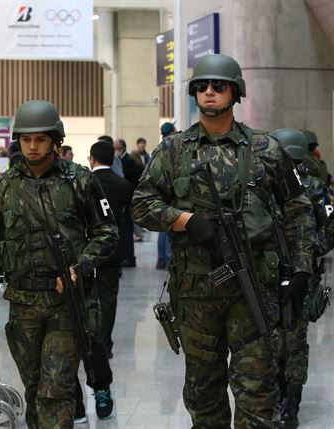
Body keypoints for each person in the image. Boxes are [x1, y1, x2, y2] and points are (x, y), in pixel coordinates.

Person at [131, 54, 315, 427]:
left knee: (257, 391)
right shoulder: (173, 150)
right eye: (201, 86)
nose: (209, 92)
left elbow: (298, 210)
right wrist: (185, 220)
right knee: (203, 394)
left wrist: (301, 269)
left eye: (218, 85)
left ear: (236, 92)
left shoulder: (266, 149)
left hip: (254, 294)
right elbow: (140, 205)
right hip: (197, 294)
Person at [0, 100, 118, 428]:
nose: (33, 146)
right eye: (26, 140)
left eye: (40, 139)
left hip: (65, 303)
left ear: (56, 141)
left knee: (56, 390)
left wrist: (78, 268)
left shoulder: (80, 181)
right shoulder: (5, 186)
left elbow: (108, 234)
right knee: (35, 387)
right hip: (22, 303)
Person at [272, 128, 332, 429]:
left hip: (301, 279)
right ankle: (276, 397)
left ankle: (290, 403)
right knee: (272, 341)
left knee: (294, 342)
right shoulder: (267, 187)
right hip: (269, 278)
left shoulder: (315, 188)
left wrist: (304, 255)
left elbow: (330, 231)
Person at [71, 139, 131, 424]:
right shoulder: (122, 185)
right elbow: (128, 222)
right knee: (107, 298)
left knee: (82, 314)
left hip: (82, 255)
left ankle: (87, 396)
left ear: (92, 159)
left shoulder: (81, 183)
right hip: (109, 253)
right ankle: (105, 341)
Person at [116, 138, 143, 267]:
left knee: (127, 230)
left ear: (121, 148)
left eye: (115, 148)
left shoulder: (126, 162)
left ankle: (128, 257)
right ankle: (127, 256)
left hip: (127, 201)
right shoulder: (125, 160)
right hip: (129, 200)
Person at [156, 123, 176, 270]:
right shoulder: (174, 146)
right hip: (171, 191)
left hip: (160, 191)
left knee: (163, 228)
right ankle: (168, 258)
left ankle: (162, 259)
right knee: (170, 227)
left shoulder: (159, 148)